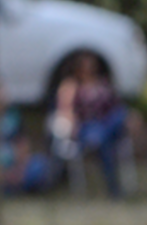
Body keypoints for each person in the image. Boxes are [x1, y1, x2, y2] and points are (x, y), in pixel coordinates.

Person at [52, 53, 130, 198]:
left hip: (107, 124)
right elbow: (65, 110)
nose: (89, 69)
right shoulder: (72, 86)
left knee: (119, 116)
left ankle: (103, 137)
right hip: (87, 127)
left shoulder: (103, 83)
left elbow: (116, 105)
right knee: (102, 139)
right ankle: (114, 189)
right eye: (85, 65)